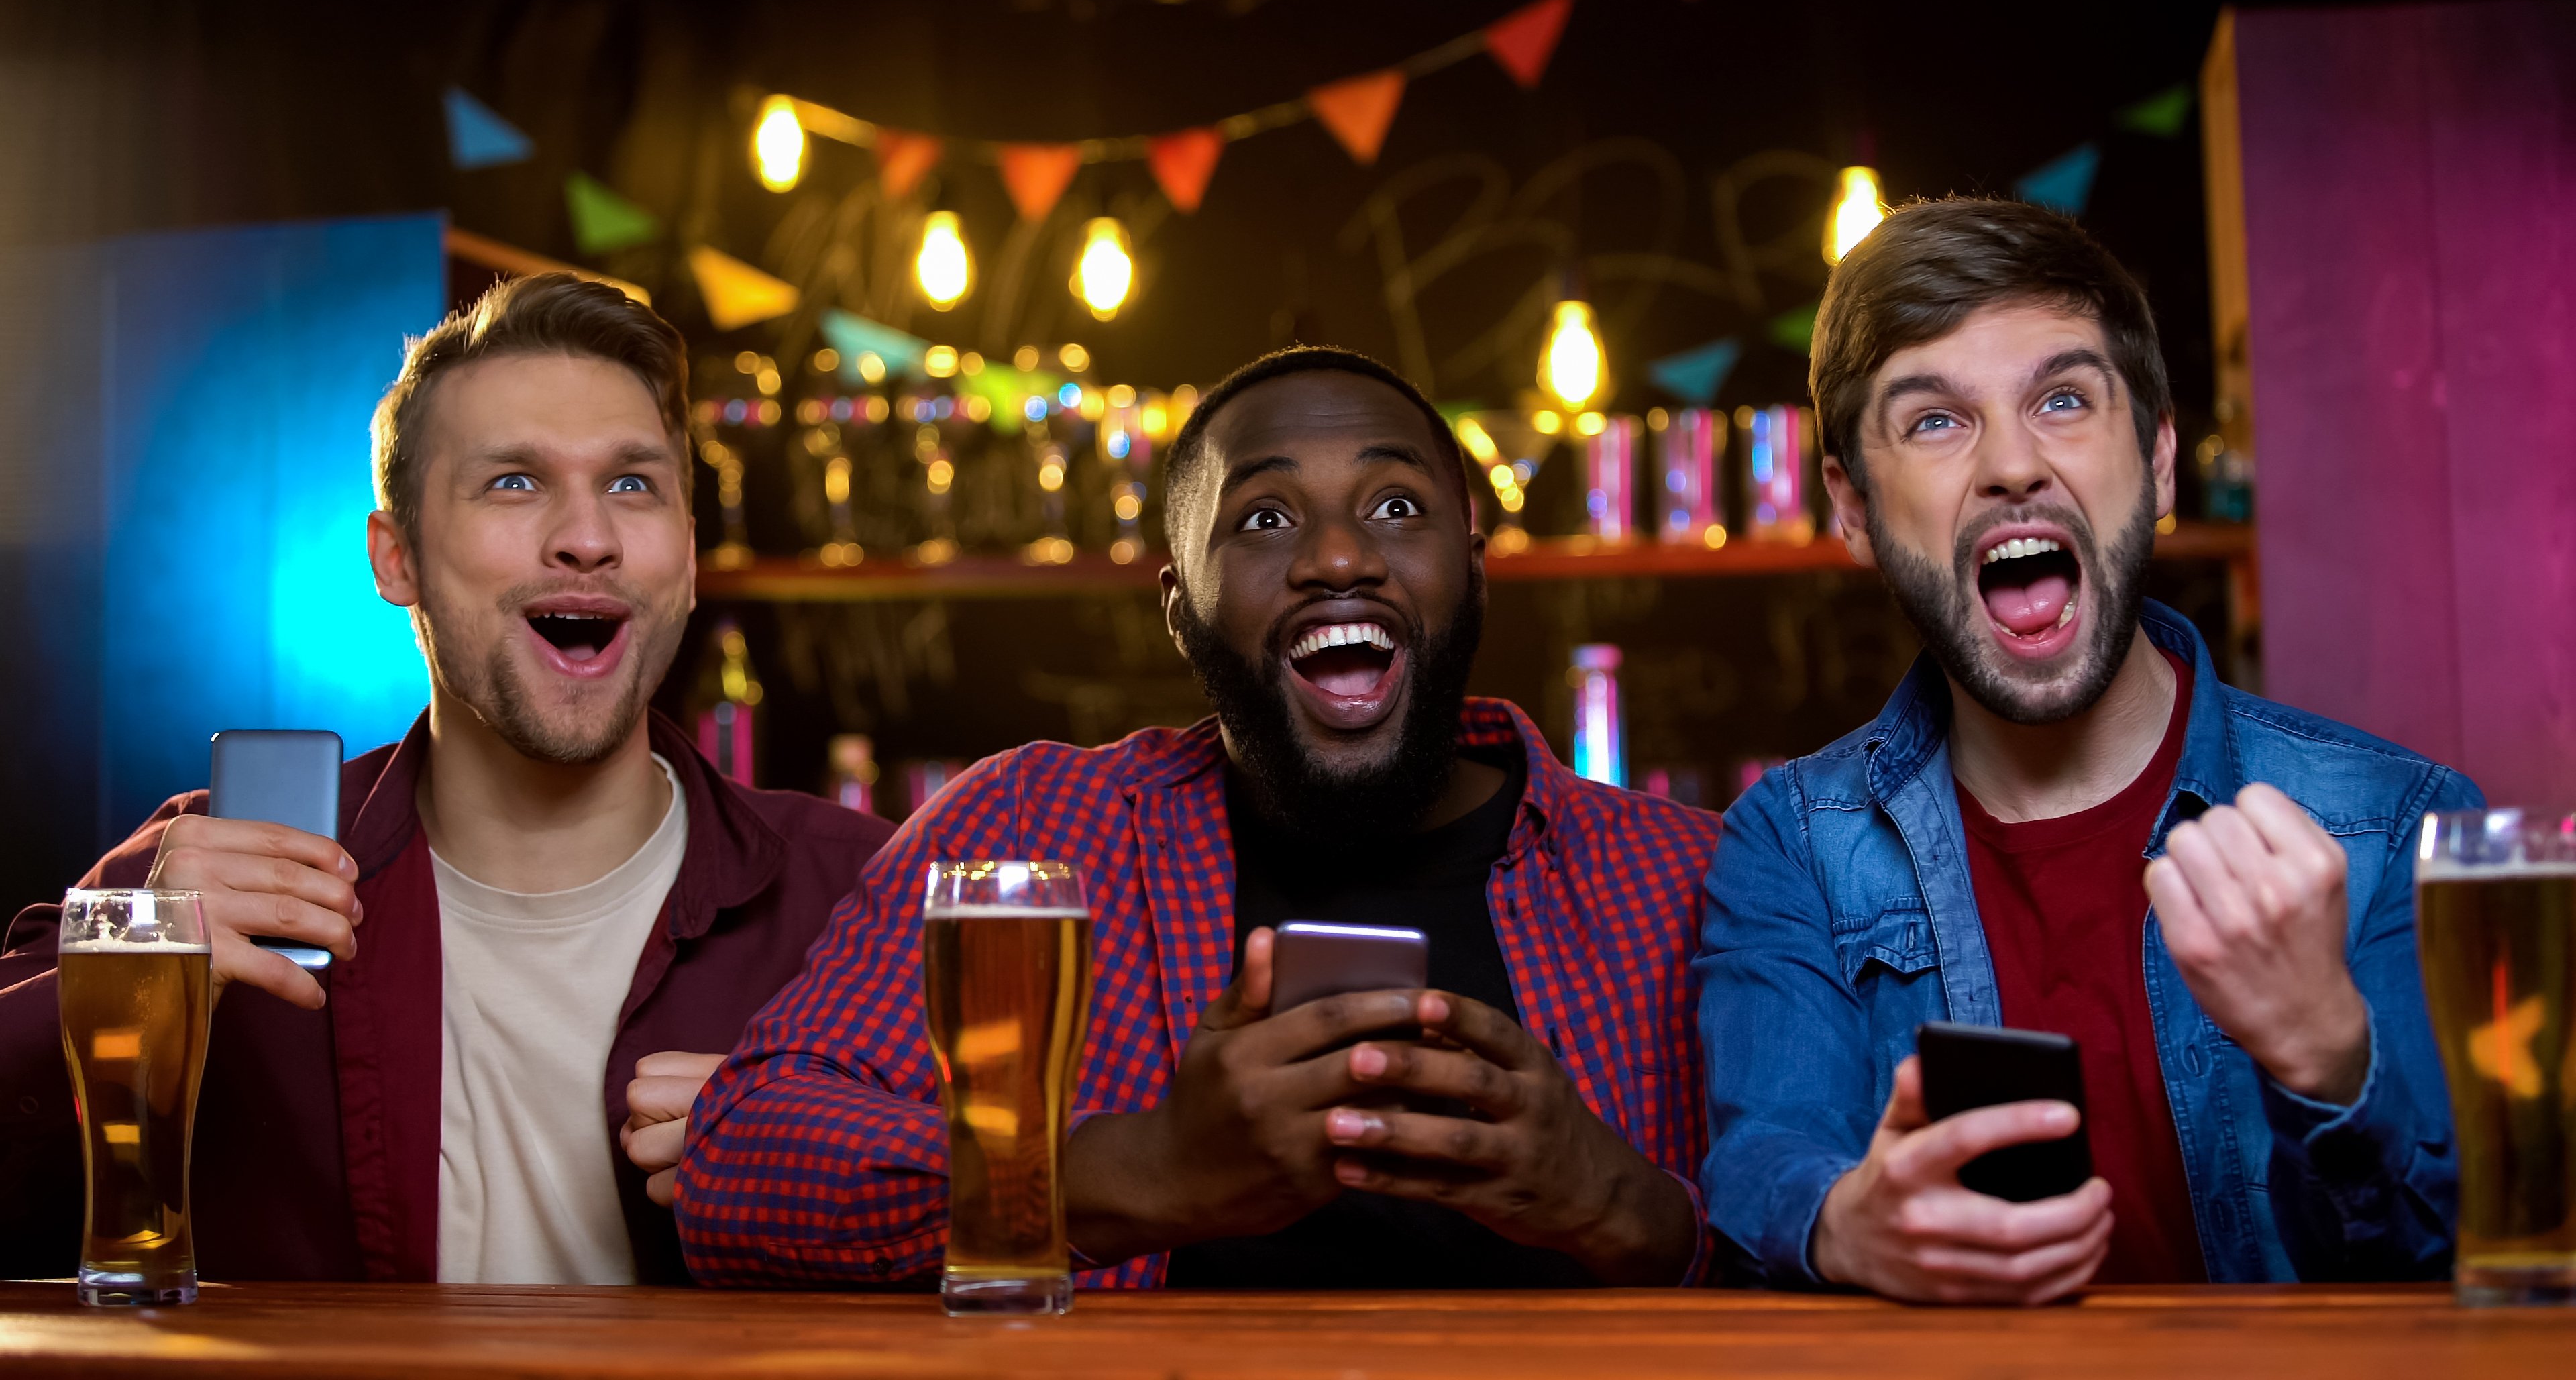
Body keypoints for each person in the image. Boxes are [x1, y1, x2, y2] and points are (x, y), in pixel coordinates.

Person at [678, 346, 1722, 1289]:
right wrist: (1146, 1171)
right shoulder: (1030, 831)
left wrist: (1618, 1203)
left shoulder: (1688, 877)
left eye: (1396, 505)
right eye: (1265, 519)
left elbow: (1838, 1240)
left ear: (1477, 572)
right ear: (1181, 610)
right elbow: (741, 1162)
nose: (1338, 558)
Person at [0, 273, 892, 1284]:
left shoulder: (865, 896)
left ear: (686, 559)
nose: (588, 536)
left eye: (633, 484)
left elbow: (1061, 1232)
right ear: (398, 560)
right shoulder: (207, 878)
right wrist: (117, 983)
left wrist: (861, 1164)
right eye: (513, 481)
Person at [1695, 198, 2477, 1302]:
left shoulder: (2405, 827)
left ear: (2157, 464)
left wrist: (2332, 1057)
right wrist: (1843, 1226)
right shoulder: (1790, 850)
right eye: (1935, 421)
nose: (2014, 465)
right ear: (1855, 509)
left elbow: (2483, 1265)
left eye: (2063, 400)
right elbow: (1761, 1166)